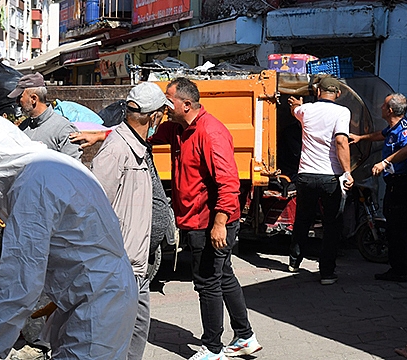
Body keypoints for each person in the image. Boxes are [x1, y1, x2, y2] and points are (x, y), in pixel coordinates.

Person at [0, 114, 137, 360]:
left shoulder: (33, 184)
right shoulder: (52, 164)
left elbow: (20, 281)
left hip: (96, 301)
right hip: (99, 292)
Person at [149, 77, 261, 359]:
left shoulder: (211, 133)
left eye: (168, 102)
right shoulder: (177, 128)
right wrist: (102, 135)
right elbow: (147, 135)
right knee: (223, 275)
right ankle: (245, 336)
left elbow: (229, 183)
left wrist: (219, 224)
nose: (164, 107)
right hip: (199, 219)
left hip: (210, 222)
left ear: (186, 104)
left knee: (207, 282)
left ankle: (212, 348)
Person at [90, 82, 173, 360]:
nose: (163, 120)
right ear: (153, 116)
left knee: (137, 332)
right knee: (114, 340)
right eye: (162, 114)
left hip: (137, 265)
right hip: (121, 267)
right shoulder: (116, 151)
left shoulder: (137, 146)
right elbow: (95, 210)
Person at [286, 76, 354, 285]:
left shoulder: (306, 111)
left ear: (317, 92)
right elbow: (341, 140)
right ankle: (326, 273)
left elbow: (295, 111)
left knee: (303, 218)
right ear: (338, 94)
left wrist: (297, 104)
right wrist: (348, 172)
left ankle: (294, 261)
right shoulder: (342, 112)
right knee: (331, 224)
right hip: (329, 177)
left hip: (306, 175)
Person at [349, 93, 407, 282]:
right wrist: (361, 138)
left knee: (398, 229)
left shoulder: (406, 129)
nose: (380, 106)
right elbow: (381, 135)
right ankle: (406, 269)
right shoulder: (393, 128)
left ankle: (400, 271)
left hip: (404, 184)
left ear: (390, 110)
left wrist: (384, 162)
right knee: (400, 228)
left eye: (383, 104)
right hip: (398, 184)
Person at [8, 72, 82, 160]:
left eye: (20, 97)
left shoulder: (63, 129)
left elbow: (73, 168)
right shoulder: (23, 126)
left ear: (33, 99)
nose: (17, 102)